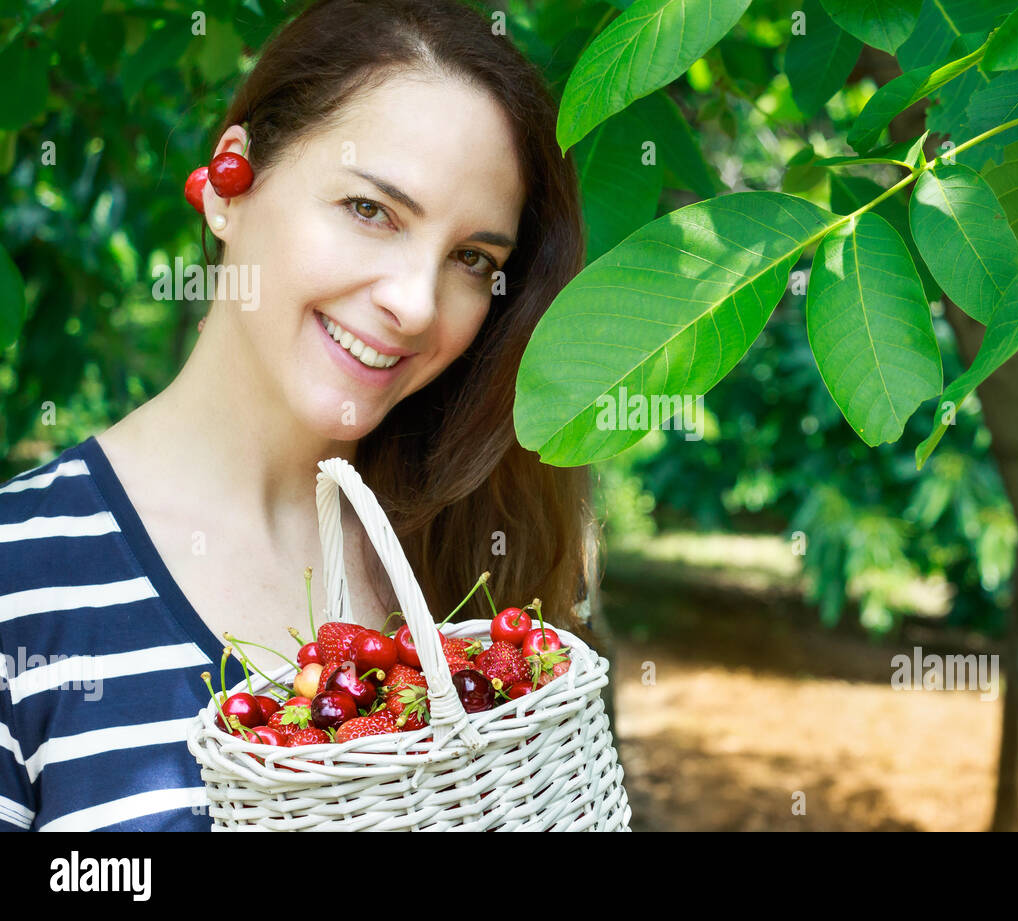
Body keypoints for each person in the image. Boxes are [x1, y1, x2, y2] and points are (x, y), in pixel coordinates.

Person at [0, 0, 593, 831]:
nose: (417, 305)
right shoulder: (21, 583)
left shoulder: (477, 569)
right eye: (370, 210)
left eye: (471, 259)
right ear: (229, 183)